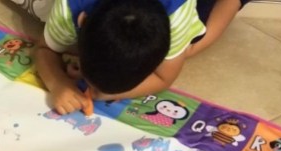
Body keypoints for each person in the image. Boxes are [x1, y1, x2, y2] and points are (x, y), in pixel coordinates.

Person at [35, 0, 250, 114]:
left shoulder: (177, 14)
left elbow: (164, 77)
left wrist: (103, 94)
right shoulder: (69, 7)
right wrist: (58, 84)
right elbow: (44, 48)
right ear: (82, 20)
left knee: (190, 48)